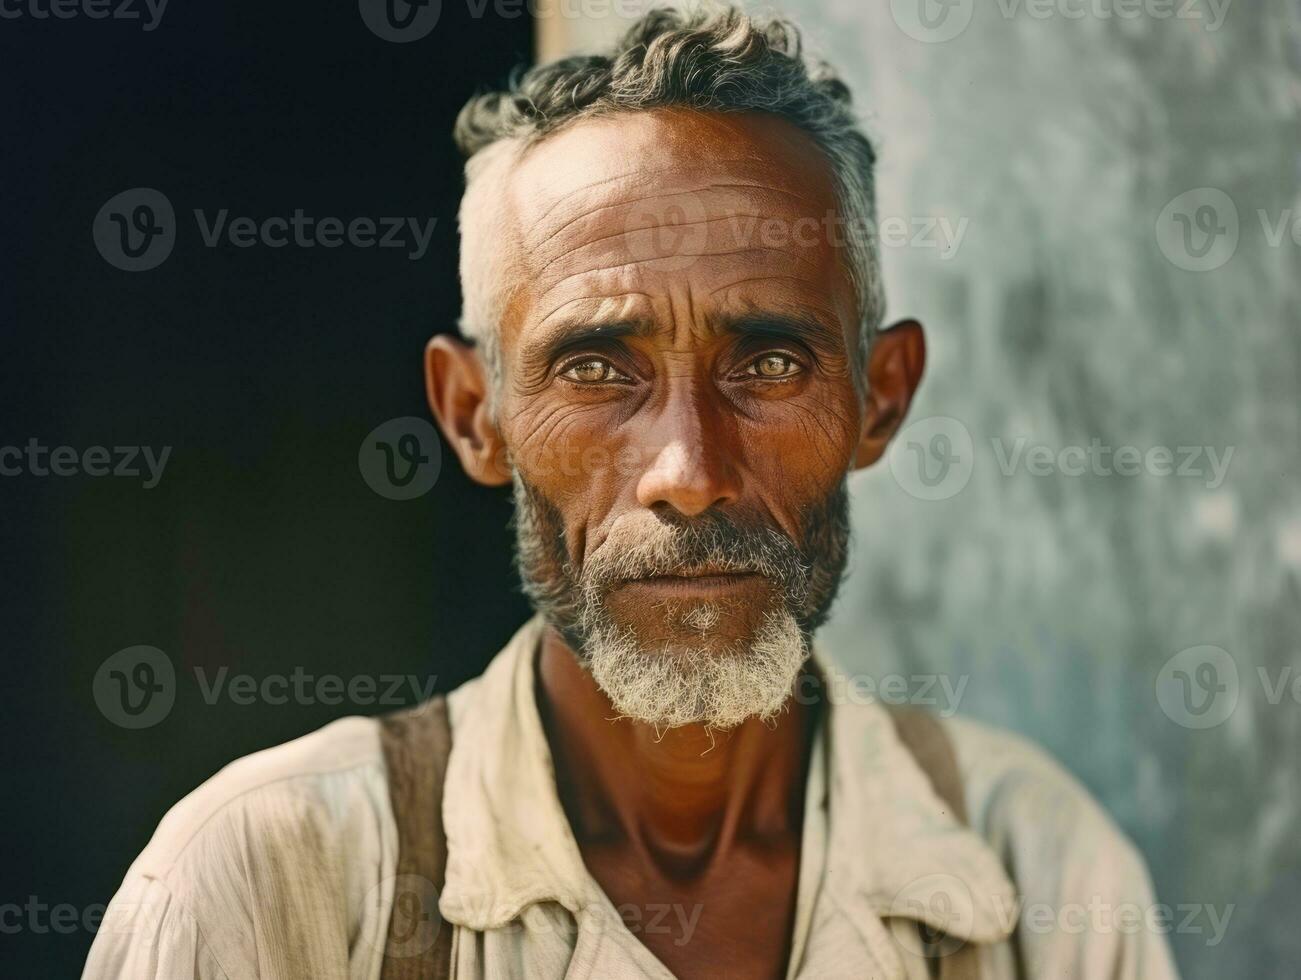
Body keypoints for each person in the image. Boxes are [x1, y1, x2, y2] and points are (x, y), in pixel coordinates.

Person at [84, 7, 1179, 978]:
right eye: (597, 368)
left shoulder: (1042, 880)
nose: (688, 473)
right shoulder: (270, 884)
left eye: (768, 363)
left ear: (877, 398)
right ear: (474, 414)